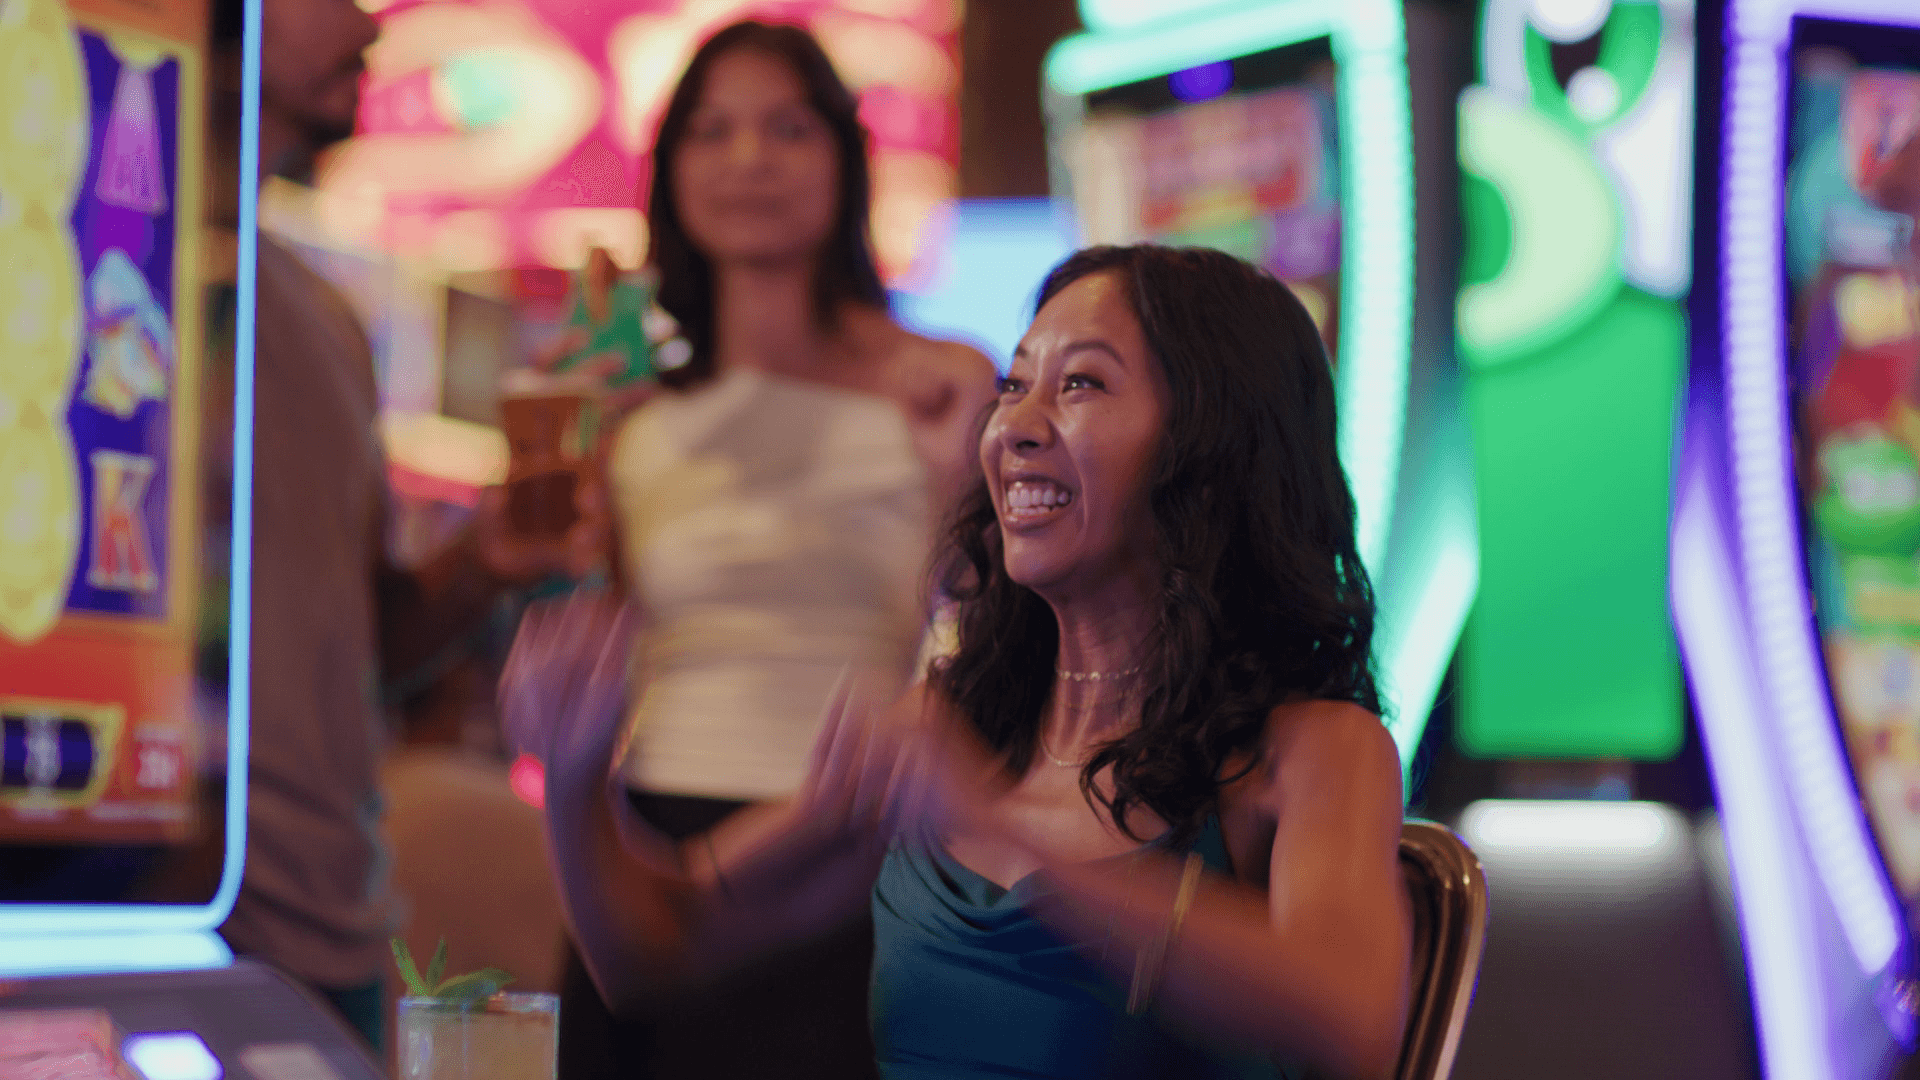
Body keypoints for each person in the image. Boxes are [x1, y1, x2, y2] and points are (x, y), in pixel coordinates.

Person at [506, 244, 1413, 1079]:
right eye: (1016, 383)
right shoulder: (949, 728)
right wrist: (580, 784)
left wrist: (1011, 839)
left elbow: (1353, 1022)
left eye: (1082, 385)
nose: (1015, 423)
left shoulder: (1312, 753)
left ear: (1213, 447)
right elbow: (658, 943)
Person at [543, 19, 997, 1080]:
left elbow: (997, 630)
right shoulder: (630, 416)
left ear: (846, 158)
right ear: (672, 172)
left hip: (852, 841)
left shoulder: (947, 381)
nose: (750, 160)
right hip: (643, 840)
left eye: (787, 128)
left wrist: (950, 486)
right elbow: (592, 643)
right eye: (713, 132)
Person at [192, 0, 589, 1049]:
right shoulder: (71, 271)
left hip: (333, 923)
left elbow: (361, 651)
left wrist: (480, 567)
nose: (370, 24)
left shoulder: (323, 317)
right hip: (155, 912)